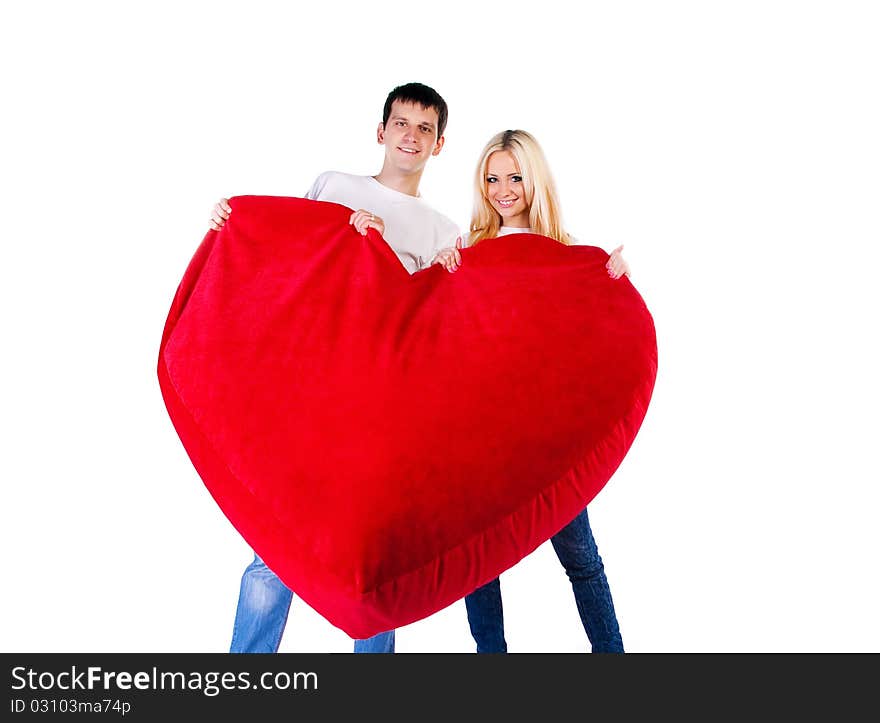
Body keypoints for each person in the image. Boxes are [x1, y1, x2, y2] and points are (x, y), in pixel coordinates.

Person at [209, 82, 460, 654]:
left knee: (368, 567)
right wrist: (235, 223)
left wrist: (435, 270)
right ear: (381, 131)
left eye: (425, 129)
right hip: (307, 395)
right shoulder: (334, 186)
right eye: (402, 123)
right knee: (274, 552)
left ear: (439, 145)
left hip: (378, 412)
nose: (411, 136)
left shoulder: (443, 231)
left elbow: (430, 329)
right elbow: (285, 257)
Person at [432, 129, 628, 652]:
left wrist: (615, 283)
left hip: (546, 438)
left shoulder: (566, 255)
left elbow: (592, 343)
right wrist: (446, 272)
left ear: (534, 180)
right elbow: (443, 336)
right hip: (482, 435)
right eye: (492, 179)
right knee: (479, 566)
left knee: (580, 556)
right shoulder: (468, 249)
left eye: (515, 177)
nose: (502, 190)